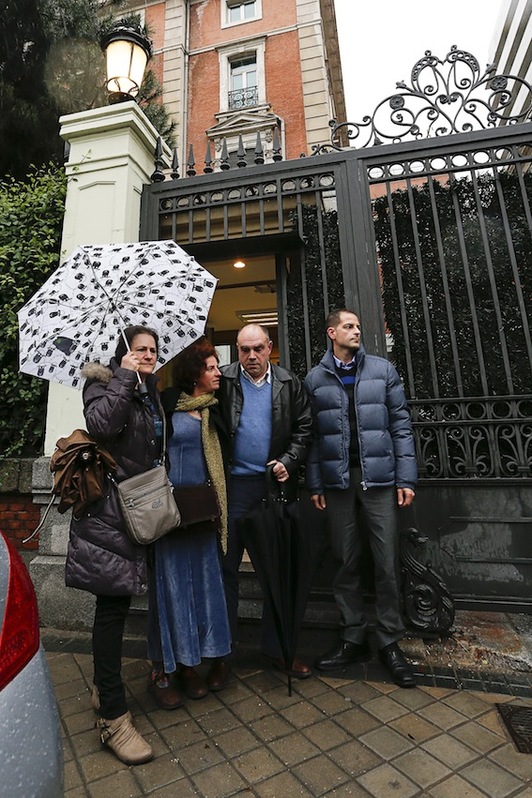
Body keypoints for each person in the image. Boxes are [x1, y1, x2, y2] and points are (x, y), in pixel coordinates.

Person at [303, 310, 418, 688]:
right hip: (338, 483)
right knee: (345, 561)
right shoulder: (315, 378)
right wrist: (316, 485)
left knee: (385, 563)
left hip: (380, 481)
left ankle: (389, 641)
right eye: (349, 326)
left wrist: (406, 477)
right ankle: (353, 636)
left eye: (358, 326)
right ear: (332, 332)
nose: (356, 331)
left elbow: (400, 425)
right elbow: (314, 439)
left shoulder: (382, 370)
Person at [65, 325, 163, 765]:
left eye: (153, 350)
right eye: (140, 348)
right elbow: (102, 426)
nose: (148, 355)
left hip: (139, 509)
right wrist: (124, 377)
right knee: (111, 609)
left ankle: (103, 689)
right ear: (123, 351)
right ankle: (112, 718)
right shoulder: (101, 383)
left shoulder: (147, 390)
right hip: (108, 515)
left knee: (119, 606)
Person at [218, 323, 313, 678]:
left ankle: (278, 650)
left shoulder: (290, 383)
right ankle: (223, 654)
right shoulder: (224, 381)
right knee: (226, 571)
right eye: (244, 350)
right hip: (232, 491)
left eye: (258, 349)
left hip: (272, 491)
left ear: (270, 347)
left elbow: (306, 429)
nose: (251, 356)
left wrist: (289, 461)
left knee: (276, 571)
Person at [147, 338, 232, 705]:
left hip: (203, 513)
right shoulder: (167, 405)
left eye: (217, 367)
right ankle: (178, 667)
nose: (218, 373)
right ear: (194, 373)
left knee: (206, 586)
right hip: (171, 514)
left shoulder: (218, 408)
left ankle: (213, 656)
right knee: (173, 590)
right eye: (211, 367)